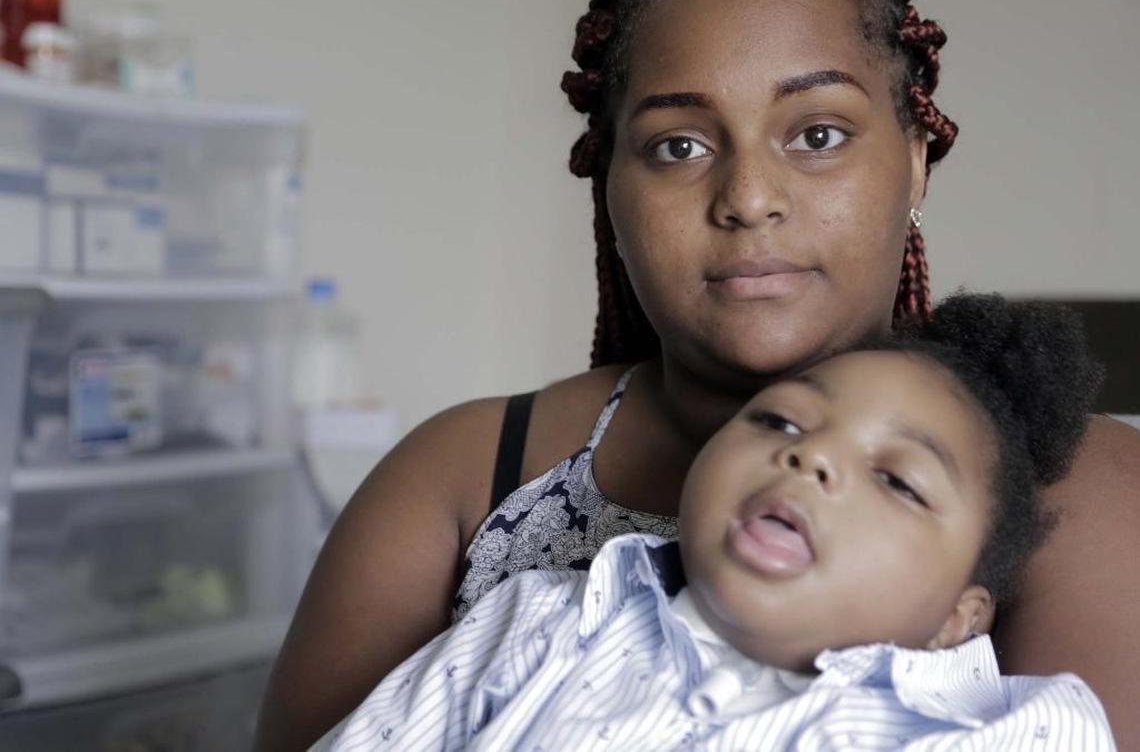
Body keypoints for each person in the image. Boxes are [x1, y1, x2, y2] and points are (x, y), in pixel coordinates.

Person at [254, 0, 1140, 748]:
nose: (749, 196)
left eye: (818, 135)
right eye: (678, 145)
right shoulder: (465, 475)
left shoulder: (1073, 483)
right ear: (611, 187)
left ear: (914, 161)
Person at [326, 295, 1112, 751]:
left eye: (898, 480)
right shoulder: (533, 624)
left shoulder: (1012, 730)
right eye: (780, 424)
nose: (812, 462)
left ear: (957, 617)